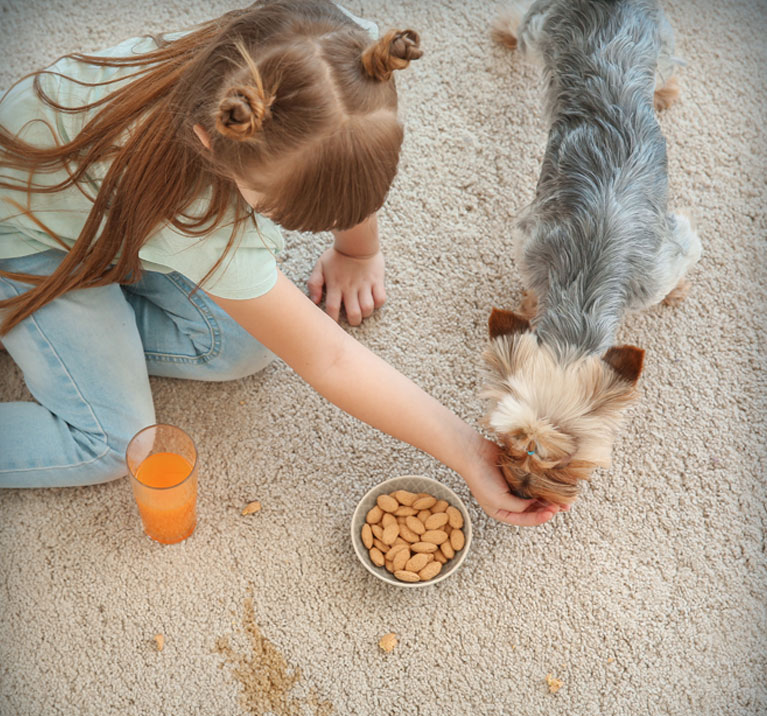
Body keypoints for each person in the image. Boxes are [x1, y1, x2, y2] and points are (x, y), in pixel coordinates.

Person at [0, 0, 561, 525]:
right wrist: (465, 450)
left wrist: (356, 247)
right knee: (116, 441)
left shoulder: (345, 57)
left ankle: (83, 322)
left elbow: (346, 155)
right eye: (276, 212)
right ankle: (45, 317)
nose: (292, 229)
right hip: (27, 246)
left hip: (106, 216)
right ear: (210, 144)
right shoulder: (195, 217)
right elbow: (328, 357)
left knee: (245, 343)